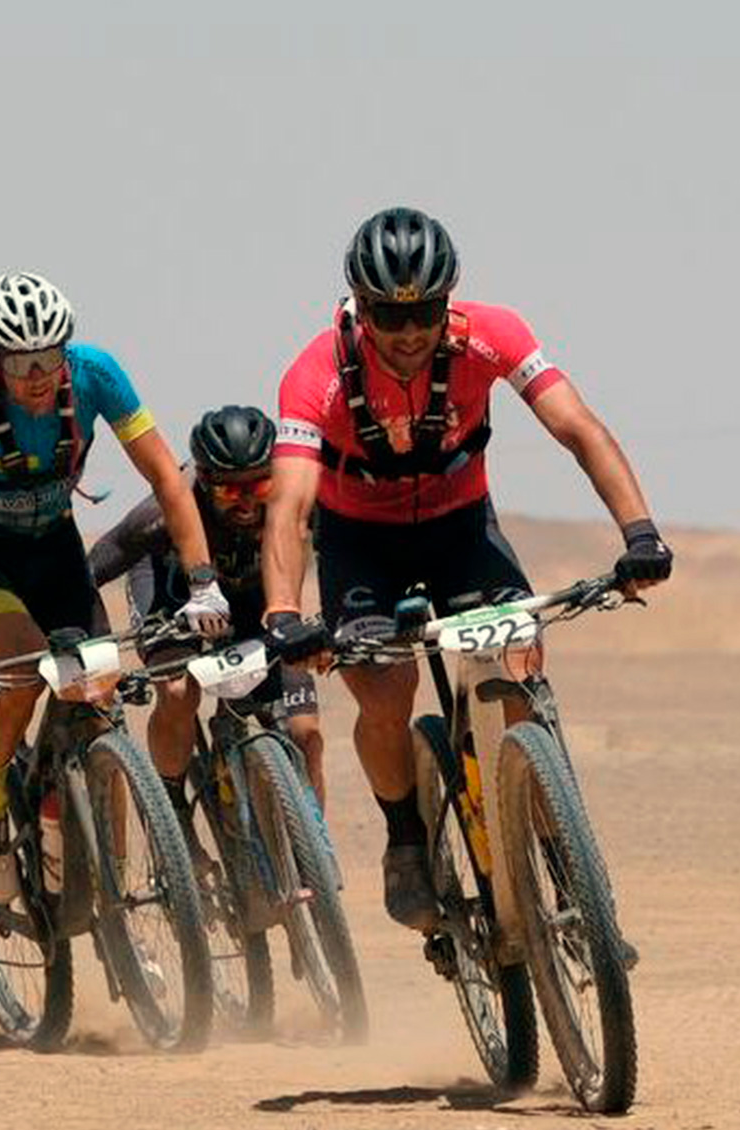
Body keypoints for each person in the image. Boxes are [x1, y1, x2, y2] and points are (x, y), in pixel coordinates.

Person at [260, 207, 674, 931]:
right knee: (386, 692)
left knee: (517, 667)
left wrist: (640, 535)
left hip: (460, 528)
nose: (410, 330)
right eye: (391, 314)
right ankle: (407, 841)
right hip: (360, 541)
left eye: (424, 310)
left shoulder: (492, 333)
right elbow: (290, 507)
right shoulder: (314, 375)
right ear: (360, 309)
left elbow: (579, 428)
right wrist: (285, 618)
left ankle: (565, 869)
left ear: (447, 302)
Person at [0, 271, 231, 906]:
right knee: (29, 670)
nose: (38, 374)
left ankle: (116, 900)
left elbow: (169, 479)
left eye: (50, 356)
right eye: (22, 361)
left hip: (56, 553)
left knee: (100, 702)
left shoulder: (95, 374)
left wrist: (203, 584)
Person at [87, 405, 326, 836]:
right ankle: (173, 817)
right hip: (170, 590)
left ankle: (316, 853)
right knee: (178, 692)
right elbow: (101, 562)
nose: (249, 501)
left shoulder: (297, 496)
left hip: (254, 599)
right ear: (205, 481)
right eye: (231, 493)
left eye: (259, 484)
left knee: (305, 732)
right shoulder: (172, 503)